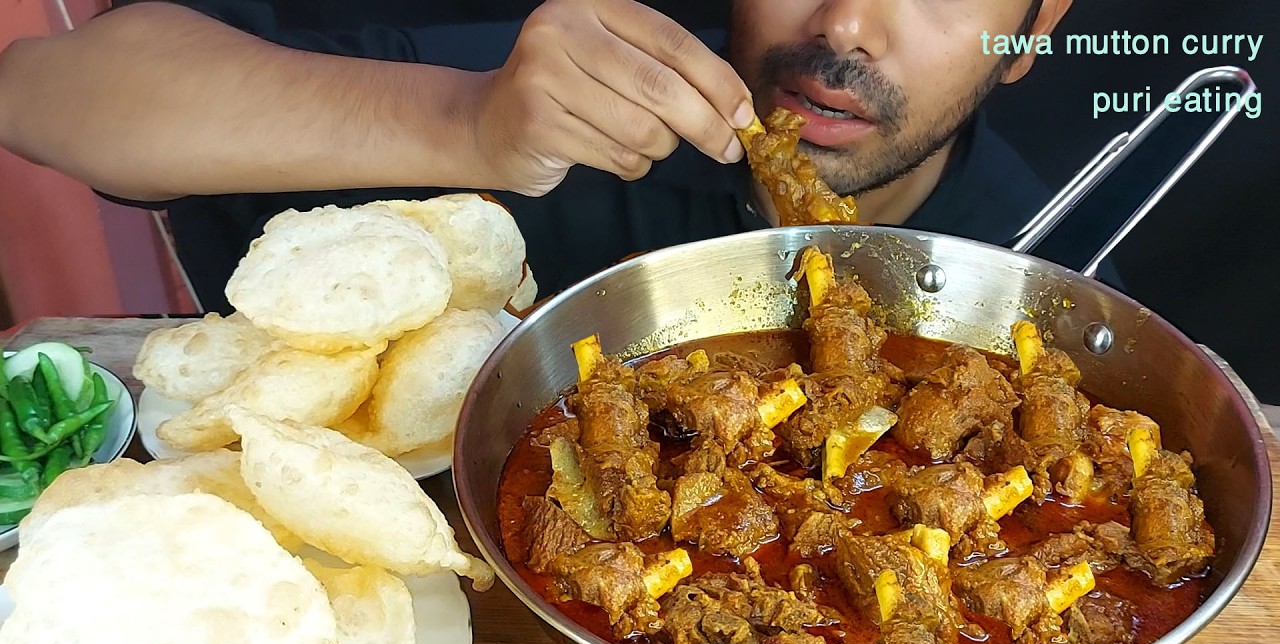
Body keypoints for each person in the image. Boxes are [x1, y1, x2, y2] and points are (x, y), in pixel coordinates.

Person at [0, 0, 1080, 312]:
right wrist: (462, 125)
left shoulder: (1052, 274)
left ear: (1030, 32)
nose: (846, 27)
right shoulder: (588, 99)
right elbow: (47, 97)